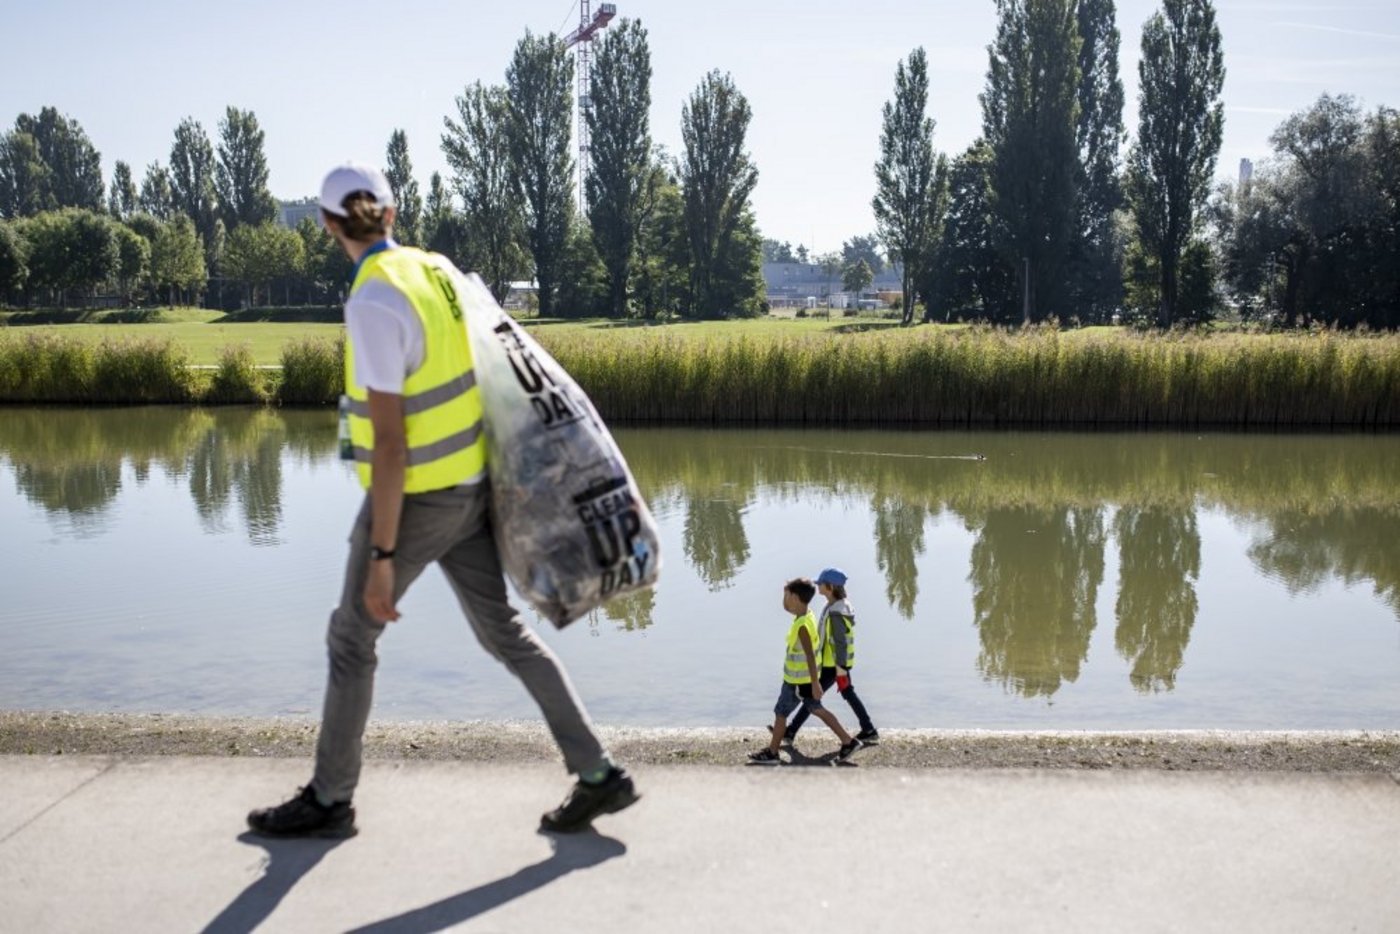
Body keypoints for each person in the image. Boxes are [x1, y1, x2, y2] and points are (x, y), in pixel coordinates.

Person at [248, 162, 637, 839]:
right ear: (391, 214)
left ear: (329, 225)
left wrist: (382, 555)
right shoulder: (439, 272)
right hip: (470, 488)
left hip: (418, 499)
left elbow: (390, 444)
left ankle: (330, 800)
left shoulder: (373, 299)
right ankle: (599, 774)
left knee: (351, 639)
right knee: (506, 634)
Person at [748, 577, 863, 765]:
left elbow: (809, 655)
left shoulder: (802, 626)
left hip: (797, 682)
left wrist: (816, 684)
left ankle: (772, 753)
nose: (784, 601)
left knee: (781, 712)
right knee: (816, 709)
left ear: (794, 598)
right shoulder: (808, 616)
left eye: (786, 596)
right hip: (802, 680)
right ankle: (848, 741)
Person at [782, 568, 879, 745]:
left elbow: (840, 642)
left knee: (812, 698)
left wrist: (840, 669)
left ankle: (790, 732)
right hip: (835, 663)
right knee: (846, 693)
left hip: (833, 665)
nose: (817, 586)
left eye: (821, 583)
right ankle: (869, 729)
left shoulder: (836, 612)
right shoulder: (836, 605)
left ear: (830, 587)